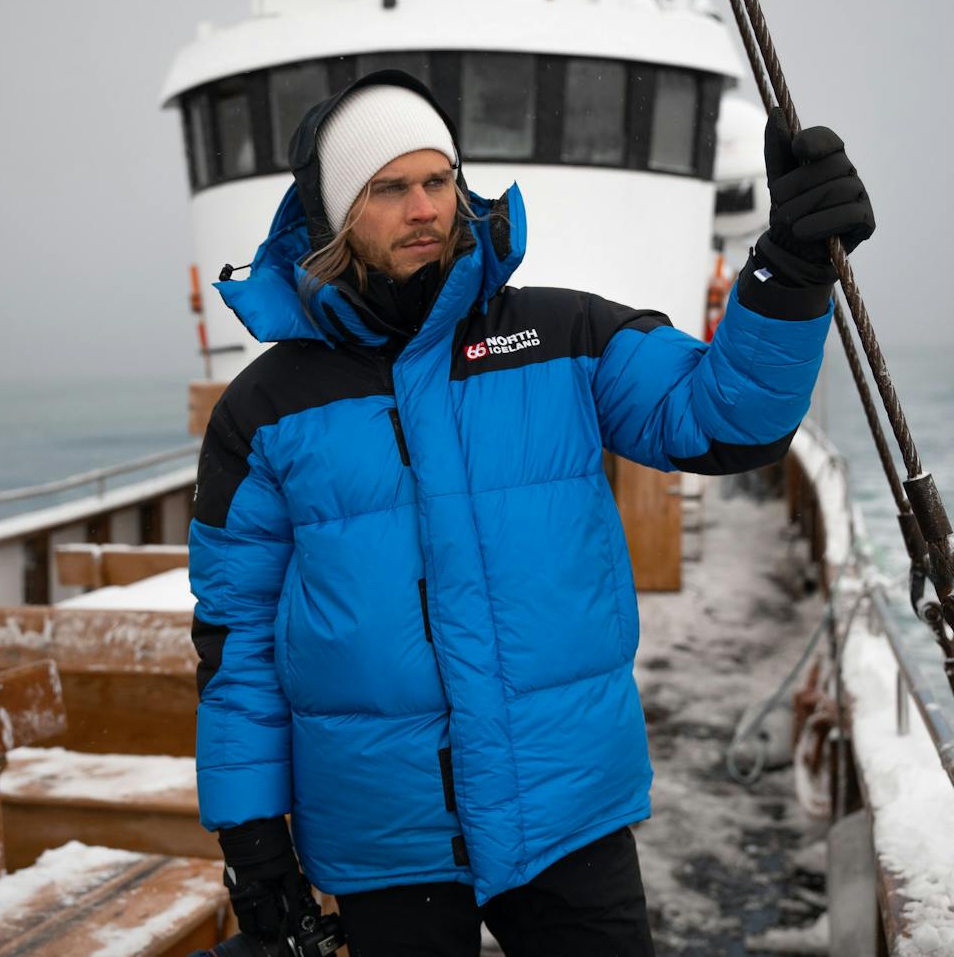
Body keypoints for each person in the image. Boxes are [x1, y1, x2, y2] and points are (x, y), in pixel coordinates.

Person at [189, 69, 874, 956]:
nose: (424, 207)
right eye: (389, 189)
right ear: (333, 215)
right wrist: (252, 839)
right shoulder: (263, 411)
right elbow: (237, 641)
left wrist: (785, 271)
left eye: (437, 180)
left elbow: (724, 417)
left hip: (567, 808)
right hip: (383, 834)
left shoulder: (567, 337)